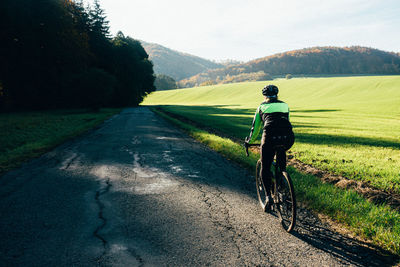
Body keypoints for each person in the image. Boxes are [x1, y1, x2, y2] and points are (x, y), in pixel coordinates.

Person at [245, 84, 294, 210]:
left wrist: (249, 141)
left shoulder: (261, 107)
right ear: (277, 95)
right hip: (287, 138)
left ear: (264, 96)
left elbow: (255, 129)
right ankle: (282, 181)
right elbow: (287, 121)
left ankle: (268, 197)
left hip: (269, 139)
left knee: (265, 167)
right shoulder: (285, 105)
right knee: (281, 158)